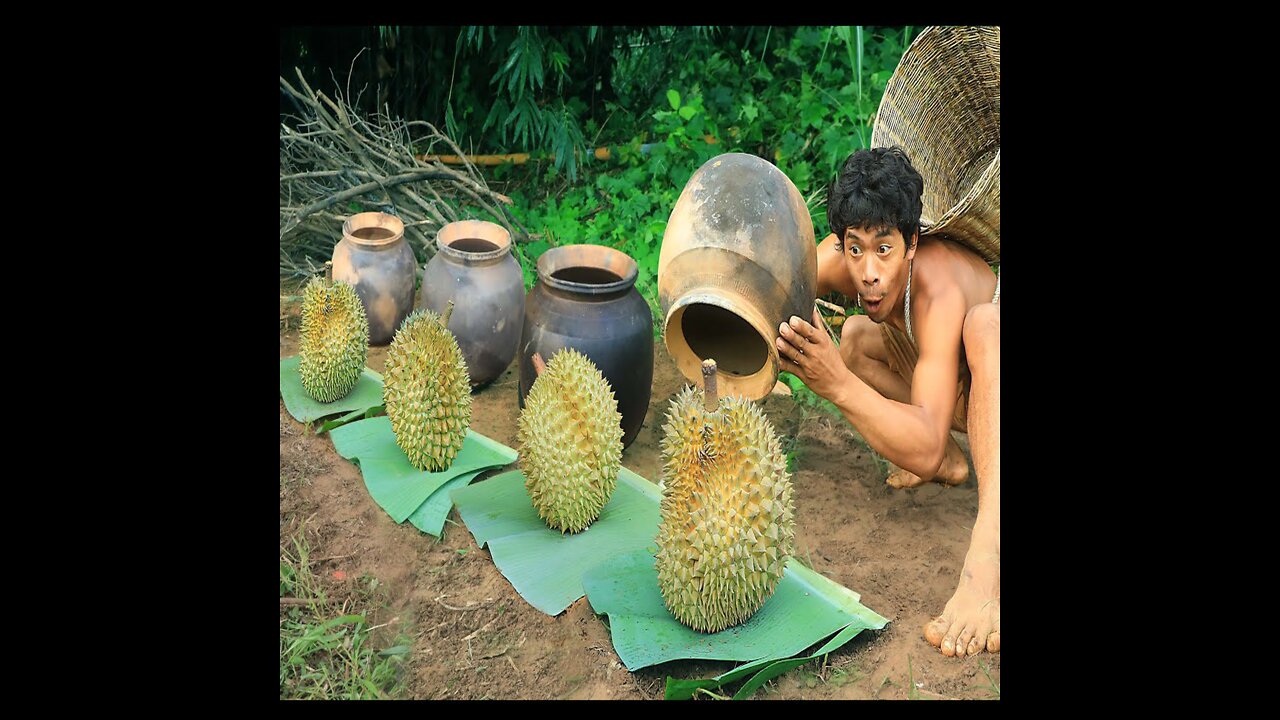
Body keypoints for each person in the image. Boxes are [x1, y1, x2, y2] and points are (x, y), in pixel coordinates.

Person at [775, 146, 1000, 658]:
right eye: (855, 249)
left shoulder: (938, 289)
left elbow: (914, 440)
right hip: (963, 396)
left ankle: (987, 567)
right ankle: (948, 459)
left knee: (986, 326)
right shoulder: (849, 263)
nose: (869, 271)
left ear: (912, 243)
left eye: (884, 249)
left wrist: (836, 385)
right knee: (853, 338)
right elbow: (773, 283)